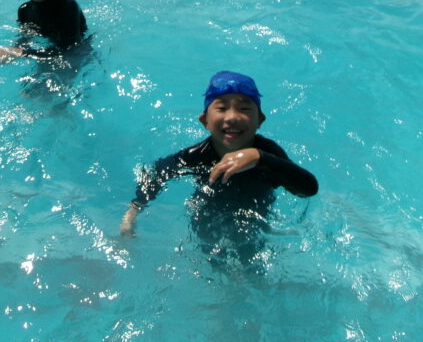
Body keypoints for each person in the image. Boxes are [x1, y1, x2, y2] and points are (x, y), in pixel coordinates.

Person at [119, 70, 318, 258]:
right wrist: (133, 211)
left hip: (254, 218)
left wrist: (259, 158)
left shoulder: (267, 154)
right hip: (208, 214)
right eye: (222, 108)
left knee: (250, 259)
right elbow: (158, 174)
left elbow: (308, 188)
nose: (232, 117)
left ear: (260, 120)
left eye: (244, 108)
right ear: (204, 120)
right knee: (212, 258)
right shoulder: (197, 155)